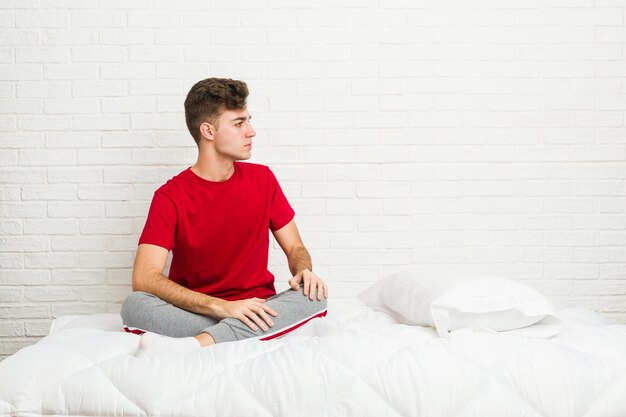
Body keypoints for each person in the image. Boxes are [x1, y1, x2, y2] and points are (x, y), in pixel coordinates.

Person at [120, 78, 328, 356]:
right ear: (208, 130)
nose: (251, 132)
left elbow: (296, 248)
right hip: (200, 309)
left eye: (248, 121)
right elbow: (144, 277)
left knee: (314, 296)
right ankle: (238, 331)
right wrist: (223, 308)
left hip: (257, 304)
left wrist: (303, 270)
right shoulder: (169, 196)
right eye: (239, 123)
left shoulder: (263, 180)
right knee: (134, 305)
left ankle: (199, 343)